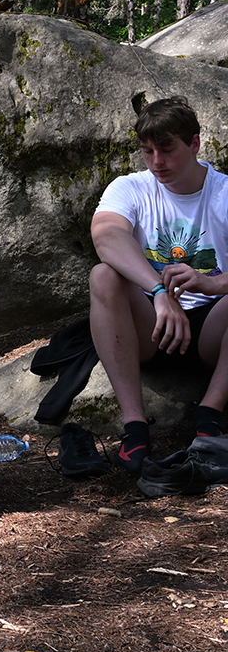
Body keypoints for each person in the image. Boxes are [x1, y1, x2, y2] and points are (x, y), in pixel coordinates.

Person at [88, 97, 228, 471]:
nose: (156, 162)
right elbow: (106, 238)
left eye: (167, 149)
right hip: (152, 326)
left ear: (195, 144)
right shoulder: (131, 188)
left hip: (214, 330)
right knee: (102, 274)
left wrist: (212, 285)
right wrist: (160, 292)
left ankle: (209, 415)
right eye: (147, 151)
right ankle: (134, 427)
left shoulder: (223, 192)